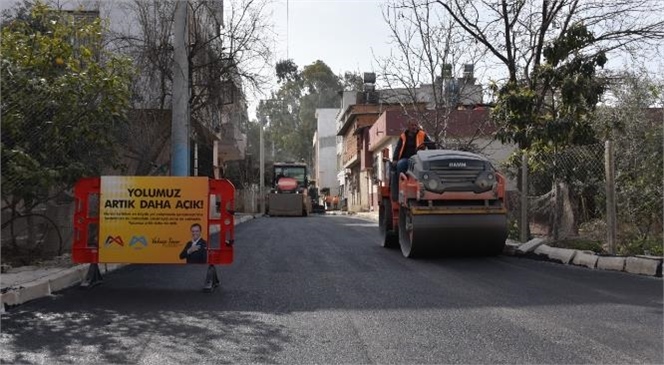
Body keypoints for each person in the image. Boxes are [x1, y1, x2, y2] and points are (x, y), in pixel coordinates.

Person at [390, 120, 435, 201]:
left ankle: (426, 188)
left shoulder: (422, 134)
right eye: (412, 125)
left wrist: (434, 150)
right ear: (408, 126)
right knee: (400, 165)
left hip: (418, 159)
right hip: (406, 159)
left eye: (415, 125)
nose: (414, 127)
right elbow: (398, 148)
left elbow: (430, 145)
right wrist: (395, 159)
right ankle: (401, 188)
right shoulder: (403, 136)